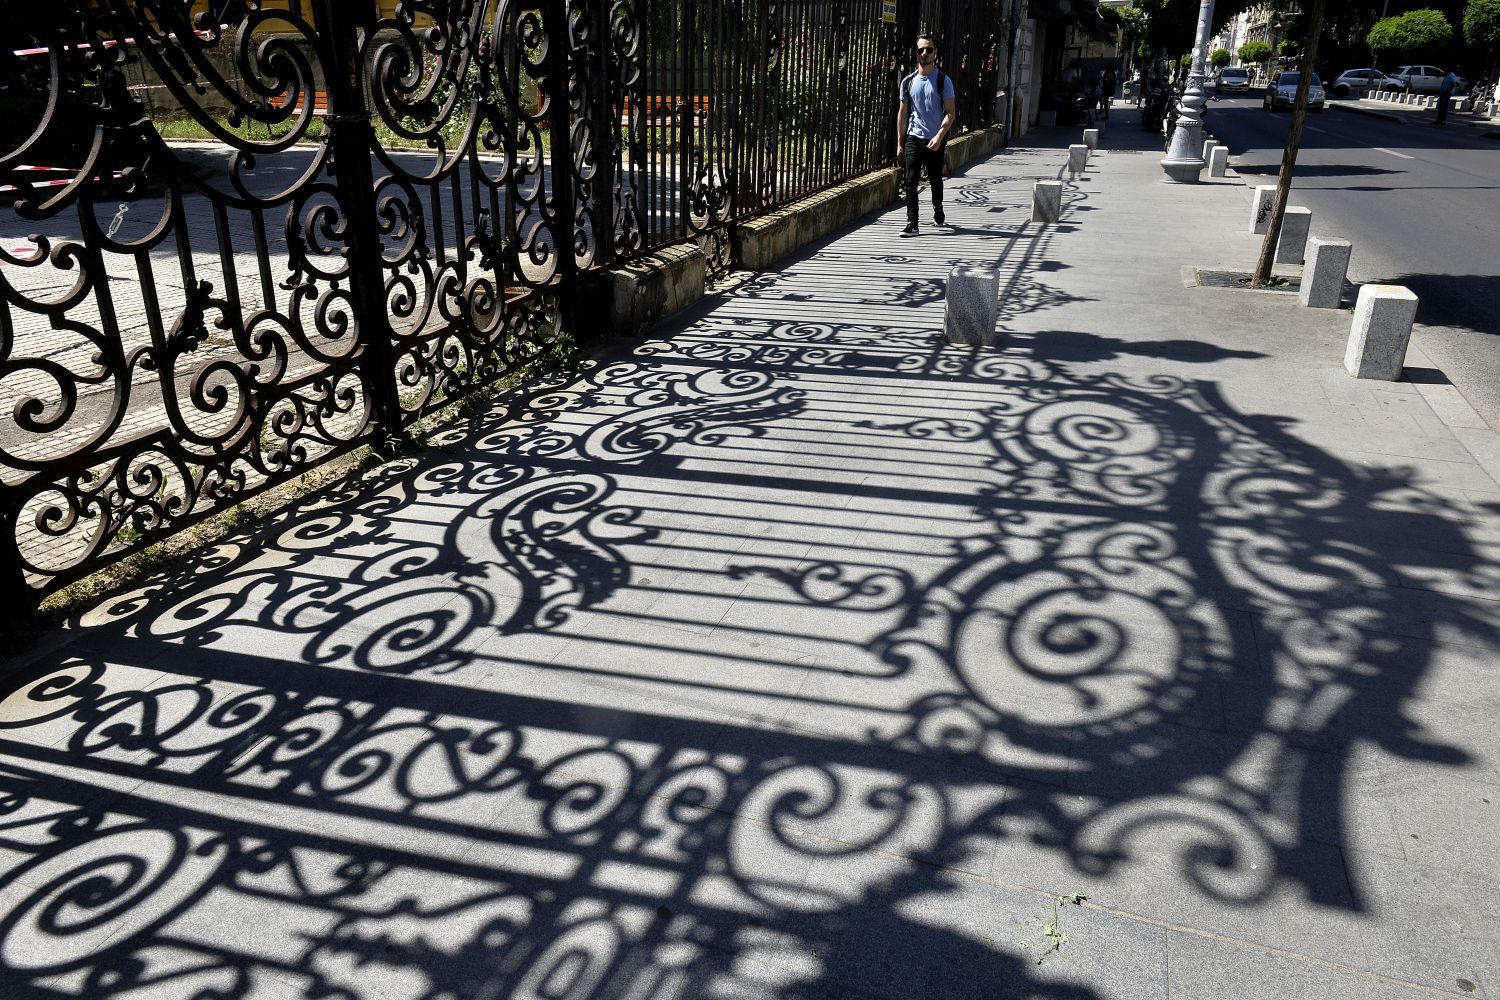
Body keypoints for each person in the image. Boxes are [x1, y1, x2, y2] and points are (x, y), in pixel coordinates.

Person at [895, 33, 956, 237]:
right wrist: (900, 143)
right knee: (911, 179)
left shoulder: (942, 81)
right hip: (914, 136)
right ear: (916, 53)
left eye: (929, 49)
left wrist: (939, 137)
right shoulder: (908, 82)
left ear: (935, 53)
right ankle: (912, 223)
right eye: (921, 50)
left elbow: (950, 113)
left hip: (935, 139)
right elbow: (903, 113)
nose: (925, 53)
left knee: (935, 178)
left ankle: (937, 207)